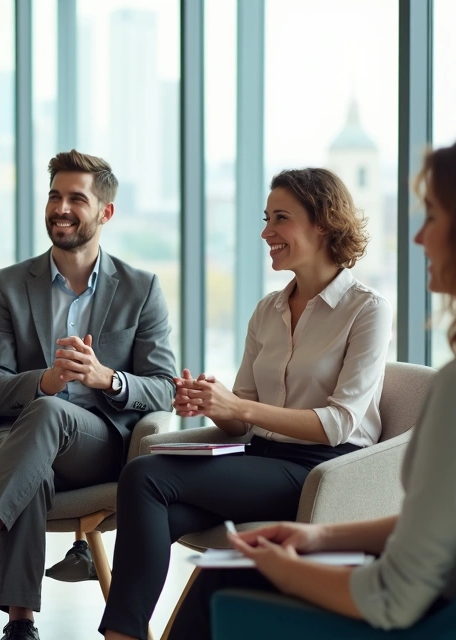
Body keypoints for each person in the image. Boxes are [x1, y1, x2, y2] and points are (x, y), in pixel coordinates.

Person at [169, 126, 456, 636]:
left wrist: (280, 568)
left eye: (432, 215)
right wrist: (316, 540)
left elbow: (391, 600)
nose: (418, 236)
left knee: (221, 581)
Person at [99, 168, 393, 640]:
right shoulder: (267, 310)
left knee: (144, 476)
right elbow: (241, 418)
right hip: (258, 461)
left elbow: (338, 424)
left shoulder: (367, 309)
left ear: (323, 224)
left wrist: (240, 410)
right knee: (155, 501)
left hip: (322, 470)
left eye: (281, 219)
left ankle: (122, 636)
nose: (266, 232)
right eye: (265, 218)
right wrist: (215, 406)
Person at [0, 150, 177, 640]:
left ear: (105, 212)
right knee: (35, 442)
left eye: (77, 198)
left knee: (51, 417)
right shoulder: (7, 286)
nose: (61, 207)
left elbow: (163, 388)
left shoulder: (141, 289)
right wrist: (43, 381)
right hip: (13, 435)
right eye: (55, 195)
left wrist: (107, 379)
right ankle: (20, 623)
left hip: (94, 444)